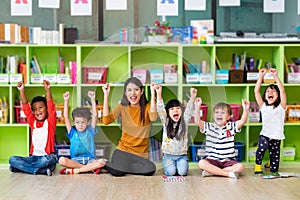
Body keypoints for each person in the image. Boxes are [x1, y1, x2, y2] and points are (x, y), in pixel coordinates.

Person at [101, 77, 158, 176]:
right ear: (126, 93)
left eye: (136, 90)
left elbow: (153, 118)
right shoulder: (122, 107)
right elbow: (106, 120)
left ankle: (124, 167)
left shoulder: (148, 107)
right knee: (118, 172)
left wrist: (153, 95)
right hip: (123, 150)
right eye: (129, 90)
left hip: (140, 154)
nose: (133, 93)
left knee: (150, 170)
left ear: (142, 91)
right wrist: (106, 95)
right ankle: (104, 163)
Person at [9, 80, 57, 176]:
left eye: (40, 107)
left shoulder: (50, 122)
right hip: (33, 157)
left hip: (46, 157)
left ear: (46, 109)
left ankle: (23, 168)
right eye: (34, 109)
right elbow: (26, 107)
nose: (37, 111)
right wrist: (21, 90)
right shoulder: (33, 122)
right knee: (12, 159)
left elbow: (51, 106)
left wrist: (47, 90)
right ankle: (39, 171)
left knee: (48, 160)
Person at [194, 98, 249, 179]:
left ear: (229, 117)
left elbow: (242, 121)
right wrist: (197, 107)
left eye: (223, 113)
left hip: (228, 160)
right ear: (213, 115)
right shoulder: (209, 127)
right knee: (201, 163)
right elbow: (197, 121)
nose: (219, 114)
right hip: (212, 159)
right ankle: (227, 174)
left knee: (240, 167)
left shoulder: (231, 126)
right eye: (217, 112)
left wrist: (246, 109)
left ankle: (212, 172)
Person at [58, 91, 106, 175]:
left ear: (88, 122)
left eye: (83, 122)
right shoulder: (72, 132)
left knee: (102, 162)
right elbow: (66, 117)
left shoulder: (90, 130)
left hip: (90, 160)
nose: (80, 125)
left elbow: (95, 116)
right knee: (61, 160)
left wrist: (93, 99)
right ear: (74, 122)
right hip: (75, 160)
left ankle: (77, 170)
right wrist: (66, 100)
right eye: (77, 122)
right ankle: (88, 169)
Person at [155, 84, 197, 176]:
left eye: (178, 108)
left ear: (182, 111)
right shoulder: (165, 121)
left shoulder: (184, 121)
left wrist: (193, 97)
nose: (175, 110)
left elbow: (189, 110)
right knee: (171, 172)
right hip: (168, 156)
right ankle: (171, 166)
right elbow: (160, 109)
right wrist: (159, 94)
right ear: (168, 112)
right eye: (172, 109)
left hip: (181, 155)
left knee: (182, 172)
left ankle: (179, 165)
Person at [254, 68, 286, 175]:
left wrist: (275, 76)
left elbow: (282, 90)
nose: (270, 92)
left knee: (274, 169)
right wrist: (261, 77)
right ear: (265, 95)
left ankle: (270, 163)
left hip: (276, 136)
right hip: (265, 134)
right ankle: (258, 165)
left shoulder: (281, 107)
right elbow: (256, 91)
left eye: (273, 91)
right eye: (268, 91)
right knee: (261, 149)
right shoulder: (263, 106)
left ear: (278, 96)